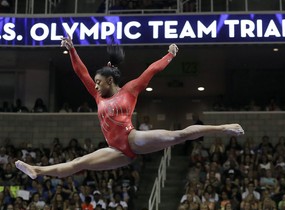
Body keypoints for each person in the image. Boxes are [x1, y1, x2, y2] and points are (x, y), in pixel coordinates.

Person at [15, 34, 244, 180]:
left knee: (179, 135)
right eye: (94, 82)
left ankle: (223, 128)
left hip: (132, 139)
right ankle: (37, 170)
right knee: (78, 163)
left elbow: (151, 71)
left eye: (98, 82)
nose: (95, 85)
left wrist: (170, 55)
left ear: (110, 81)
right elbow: (81, 72)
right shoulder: (98, 97)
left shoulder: (130, 90)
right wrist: (72, 50)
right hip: (116, 151)